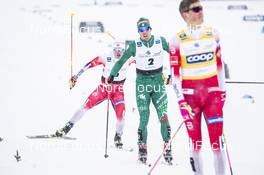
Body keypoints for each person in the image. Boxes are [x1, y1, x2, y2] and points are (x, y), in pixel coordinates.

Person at [169, 0, 227, 174]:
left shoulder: (213, 34)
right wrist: (181, 102)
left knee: (217, 143)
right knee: (195, 144)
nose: (201, 11)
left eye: (201, 8)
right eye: (196, 9)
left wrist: (222, 92)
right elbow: (175, 75)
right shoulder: (176, 40)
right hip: (189, 100)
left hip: (212, 98)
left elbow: (219, 66)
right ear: (185, 14)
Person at [108, 17, 173, 164]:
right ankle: (142, 149)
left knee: (163, 116)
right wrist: (112, 74)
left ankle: (168, 148)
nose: (144, 32)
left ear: (150, 29)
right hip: (142, 84)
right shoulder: (134, 45)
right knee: (144, 118)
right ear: (138, 32)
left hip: (158, 83)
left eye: (146, 29)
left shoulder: (160, 41)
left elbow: (175, 54)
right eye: (141, 30)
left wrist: (173, 74)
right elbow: (122, 60)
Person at [55, 40, 130, 148]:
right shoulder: (105, 57)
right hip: (103, 88)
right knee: (85, 106)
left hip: (118, 91)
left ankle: (118, 136)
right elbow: (89, 65)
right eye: (116, 50)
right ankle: (67, 126)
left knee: (121, 115)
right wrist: (76, 76)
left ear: (124, 51)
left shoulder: (128, 58)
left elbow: (143, 60)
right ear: (112, 50)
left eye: (121, 51)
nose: (118, 53)